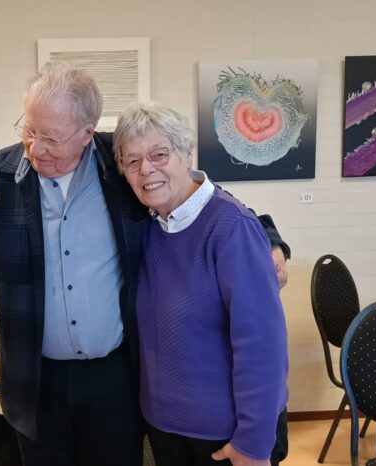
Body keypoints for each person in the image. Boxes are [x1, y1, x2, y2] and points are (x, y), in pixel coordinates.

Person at [0, 63, 289, 466]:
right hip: (34, 380)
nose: (35, 148)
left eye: (51, 137)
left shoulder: (122, 163)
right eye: (29, 130)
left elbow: (191, 195)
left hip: (116, 379)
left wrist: (269, 240)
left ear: (86, 134)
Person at [113, 101, 289, 466]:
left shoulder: (231, 227)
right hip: (165, 429)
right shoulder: (148, 228)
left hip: (227, 436)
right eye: (132, 161)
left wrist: (254, 441)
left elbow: (263, 345)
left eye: (159, 154)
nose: (146, 169)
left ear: (187, 153)